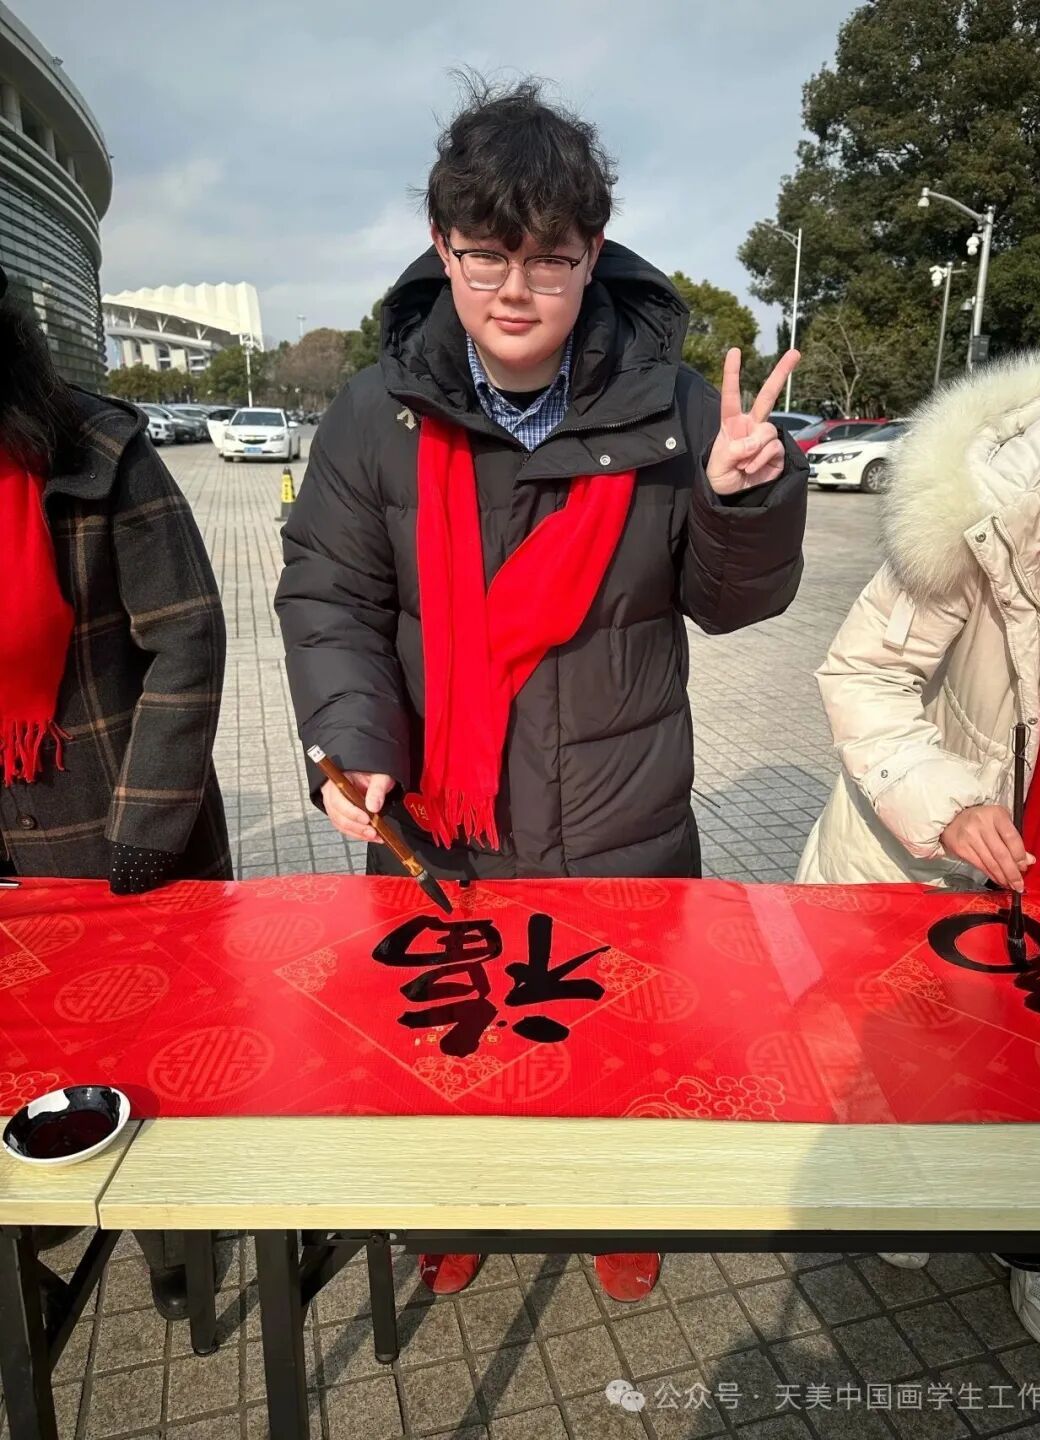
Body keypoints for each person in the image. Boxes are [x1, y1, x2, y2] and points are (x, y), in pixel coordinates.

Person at [276, 76, 808, 1302]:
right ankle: (457, 1212)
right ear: (440, 246)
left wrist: (742, 500)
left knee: (625, 1040)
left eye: (550, 260)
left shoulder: (675, 413)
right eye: (486, 254)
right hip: (443, 825)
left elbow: (732, 605)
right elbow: (330, 597)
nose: (515, 289)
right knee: (450, 1047)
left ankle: (624, 1214)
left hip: (625, 824)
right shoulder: (377, 416)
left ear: (593, 254)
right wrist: (352, 741)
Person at [797, 345, 1040, 1352]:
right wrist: (950, 801)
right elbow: (863, 674)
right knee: (923, 1046)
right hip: (945, 856)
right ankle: (915, 1193)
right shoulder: (997, 497)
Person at [0, 263, 231, 1319]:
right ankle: (42, 1220)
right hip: (14, 844)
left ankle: (177, 1247)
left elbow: (187, 637)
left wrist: (149, 825)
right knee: (33, 1053)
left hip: (127, 821)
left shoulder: (98, 450)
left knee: (155, 1056)